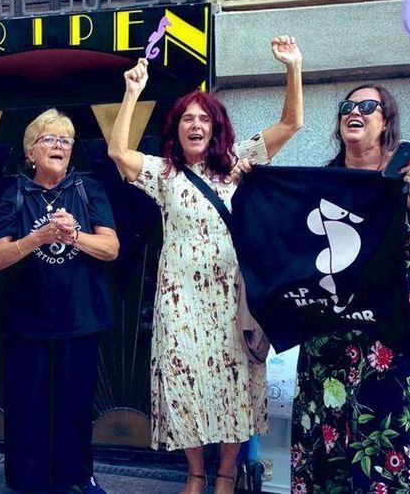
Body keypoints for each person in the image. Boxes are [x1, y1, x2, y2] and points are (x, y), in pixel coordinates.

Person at [107, 35, 303, 494]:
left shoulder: (240, 164)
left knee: (234, 382)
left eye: (204, 119)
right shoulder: (164, 172)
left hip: (232, 297)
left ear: (217, 128)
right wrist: (133, 92)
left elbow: (292, 122)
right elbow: (118, 152)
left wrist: (292, 67)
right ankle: (195, 470)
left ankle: (226, 473)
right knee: (183, 383)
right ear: (176, 129)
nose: (195, 125)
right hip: (179, 298)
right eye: (186, 119)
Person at [288, 84, 410, 493]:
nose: (354, 112)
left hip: (387, 333)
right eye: (347, 107)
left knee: (386, 431)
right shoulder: (321, 181)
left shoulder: (406, 176)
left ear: (386, 122)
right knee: (326, 435)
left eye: (367, 106)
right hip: (328, 330)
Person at [0, 109, 120, 493]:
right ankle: (27, 479)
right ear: (31, 151)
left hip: (80, 318)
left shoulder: (87, 189)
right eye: (49, 139)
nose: (58, 146)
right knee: (27, 406)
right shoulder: (15, 193)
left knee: (75, 406)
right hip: (27, 321)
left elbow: (111, 248)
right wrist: (38, 238)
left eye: (65, 140)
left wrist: (74, 236)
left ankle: (77, 475)